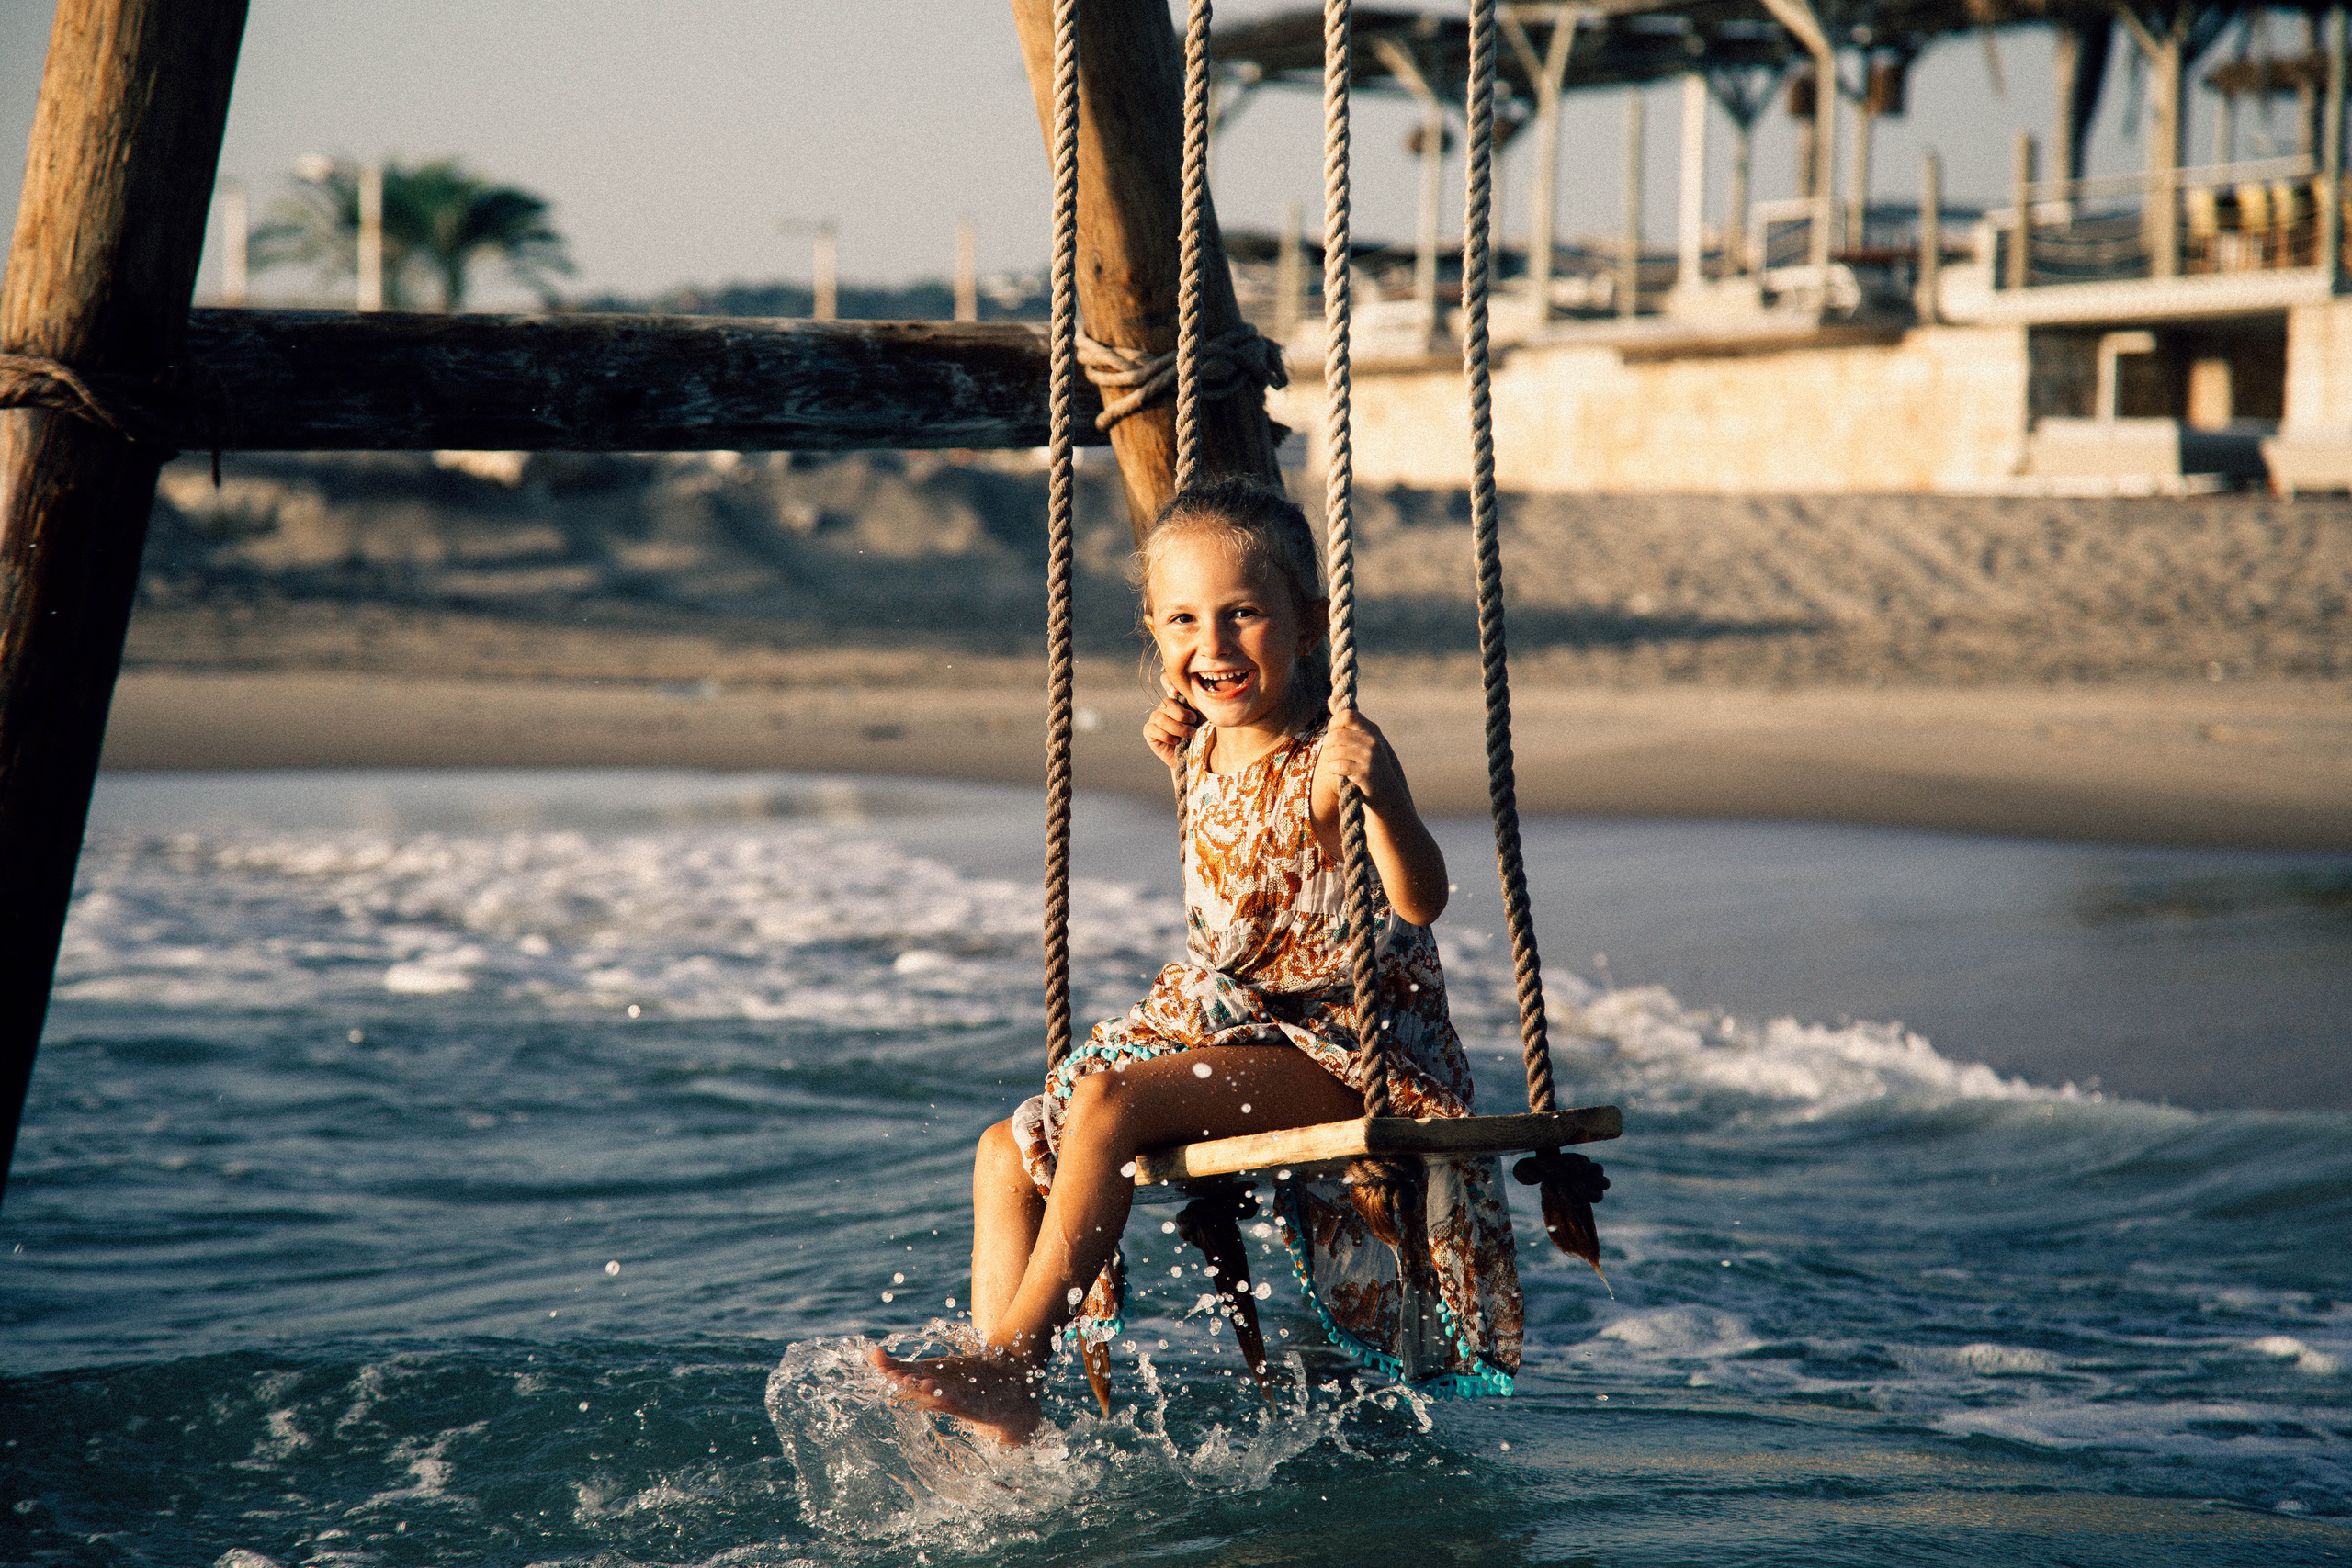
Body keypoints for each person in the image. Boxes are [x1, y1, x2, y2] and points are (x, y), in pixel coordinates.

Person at [874, 477, 1521, 1443]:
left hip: (1341, 1054)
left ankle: (1015, 1361)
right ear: (1152, 629)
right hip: (1235, 1030)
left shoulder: (1329, 764)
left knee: (1110, 1104)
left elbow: (1419, 899)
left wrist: (1386, 795)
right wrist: (1176, 744)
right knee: (1004, 1151)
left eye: (1242, 614)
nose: (1211, 644)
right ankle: (995, 1425)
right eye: (1183, 619)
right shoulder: (1196, 746)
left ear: (1309, 624)